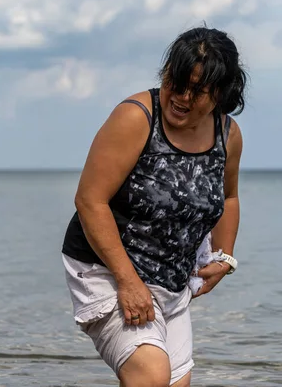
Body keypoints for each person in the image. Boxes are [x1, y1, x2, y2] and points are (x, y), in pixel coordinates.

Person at [60, 26, 247, 387]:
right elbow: (89, 199)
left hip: (173, 284)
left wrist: (225, 258)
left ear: (220, 94)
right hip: (107, 271)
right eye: (175, 82)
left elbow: (228, 197)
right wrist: (128, 282)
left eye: (197, 90)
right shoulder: (136, 118)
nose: (181, 96)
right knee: (150, 374)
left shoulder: (228, 134)